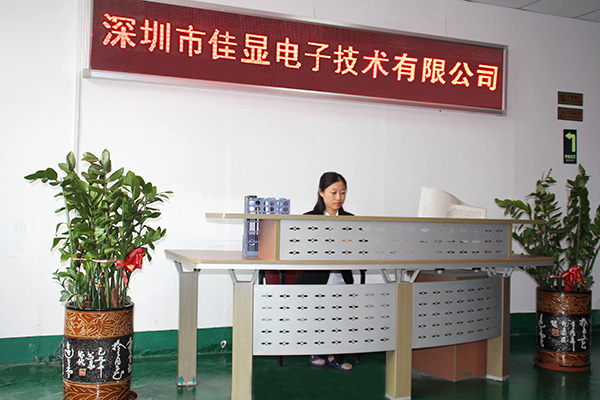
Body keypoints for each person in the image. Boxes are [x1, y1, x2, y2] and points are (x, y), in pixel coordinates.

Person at [297, 171, 354, 371]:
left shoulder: (350, 220)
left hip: (341, 276)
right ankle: (315, 350)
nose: (339, 198)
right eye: (333, 192)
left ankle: (336, 355)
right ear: (321, 192)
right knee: (318, 314)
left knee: (340, 316)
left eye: (343, 192)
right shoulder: (308, 219)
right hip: (315, 277)